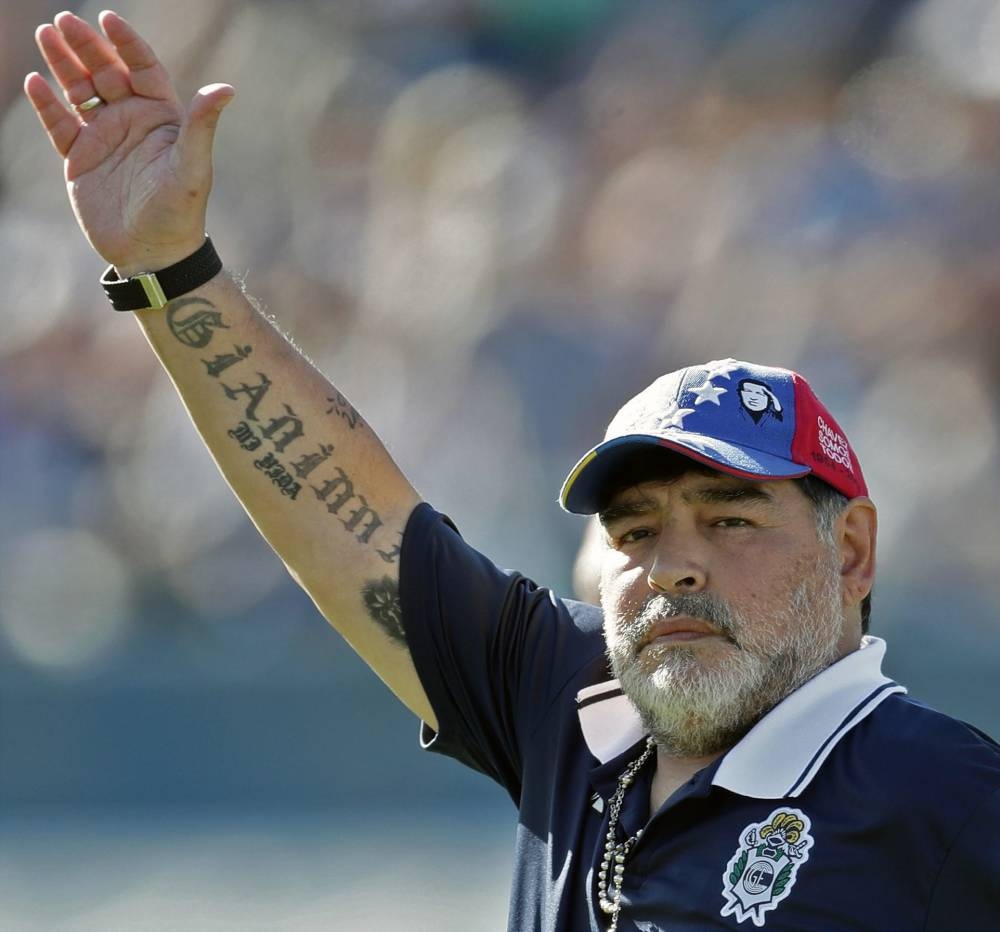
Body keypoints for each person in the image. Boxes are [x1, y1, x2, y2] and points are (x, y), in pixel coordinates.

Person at [25, 11, 1000, 931]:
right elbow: (354, 514)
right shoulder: (568, 708)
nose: (676, 564)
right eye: (636, 529)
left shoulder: (943, 792)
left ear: (852, 550)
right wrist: (170, 268)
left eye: (732, 518)